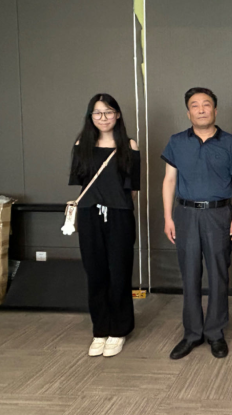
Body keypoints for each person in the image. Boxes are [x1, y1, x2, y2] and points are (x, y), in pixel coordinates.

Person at [162, 87, 232, 360]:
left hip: (218, 215)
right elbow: (169, 180)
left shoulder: (230, 142)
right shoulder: (176, 142)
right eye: (194, 105)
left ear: (215, 110)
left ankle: (215, 333)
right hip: (185, 214)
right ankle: (192, 333)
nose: (201, 109)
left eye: (206, 104)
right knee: (189, 274)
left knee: (219, 275)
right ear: (188, 113)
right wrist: (168, 217)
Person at [69, 93, 140, 357]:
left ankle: (119, 329)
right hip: (89, 215)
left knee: (119, 272)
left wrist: (114, 204)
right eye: (97, 112)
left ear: (117, 115)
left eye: (108, 112)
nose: (103, 117)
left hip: (120, 216)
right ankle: (100, 329)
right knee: (95, 273)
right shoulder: (82, 144)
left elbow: (132, 190)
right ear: (91, 116)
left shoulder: (129, 146)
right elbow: (81, 182)